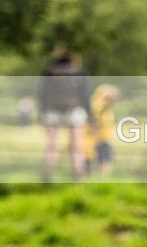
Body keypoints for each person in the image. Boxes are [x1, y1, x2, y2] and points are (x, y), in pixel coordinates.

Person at [38, 46, 89, 182]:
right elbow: (84, 93)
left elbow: (42, 92)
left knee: (52, 145)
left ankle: (48, 175)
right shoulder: (77, 71)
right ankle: (79, 175)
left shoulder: (49, 71)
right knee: (77, 145)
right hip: (74, 110)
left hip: (51, 111)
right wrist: (89, 114)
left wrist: (42, 112)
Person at [84, 84, 120, 176]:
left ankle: (102, 176)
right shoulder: (96, 101)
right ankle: (95, 176)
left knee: (104, 155)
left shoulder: (103, 103)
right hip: (94, 134)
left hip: (103, 135)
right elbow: (94, 113)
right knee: (93, 156)